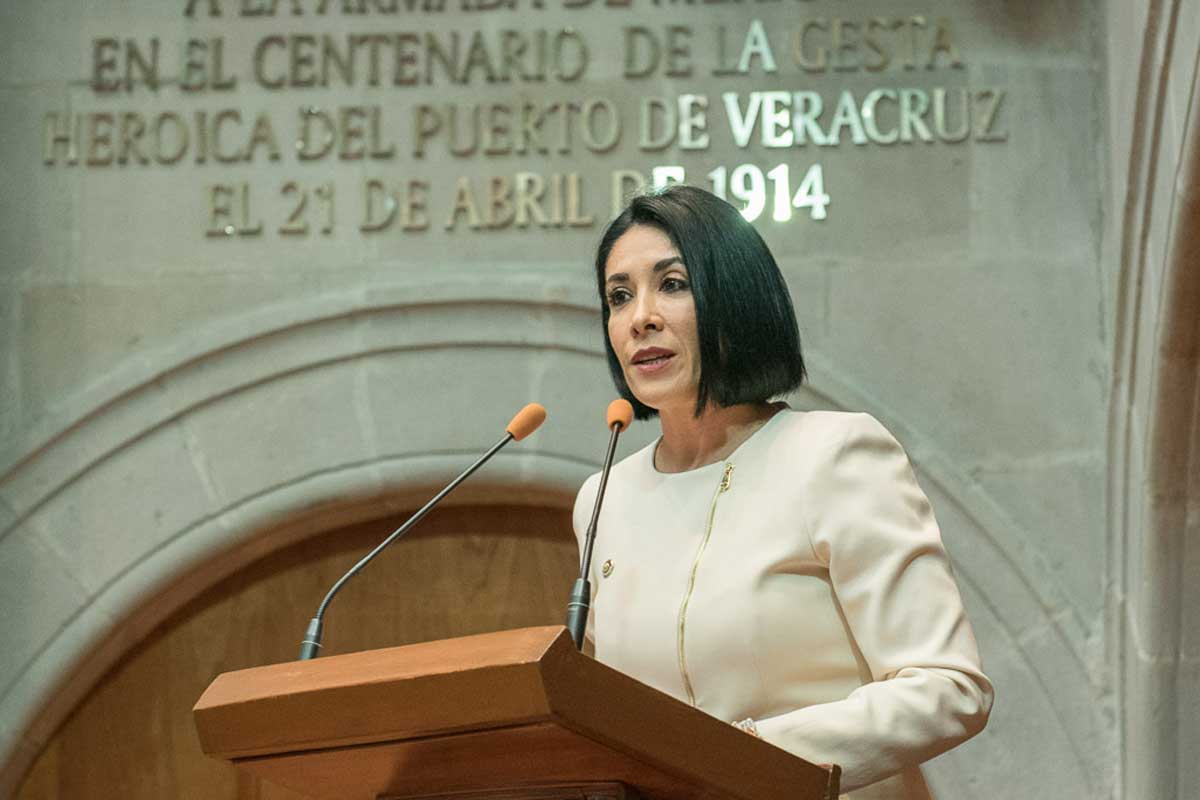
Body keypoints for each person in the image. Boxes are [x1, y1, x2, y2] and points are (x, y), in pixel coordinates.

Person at [572, 185, 993, 800]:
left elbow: (948, 687)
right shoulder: (604, 498)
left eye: (673, 284)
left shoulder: (833, 455)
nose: (641, 317)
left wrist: (743, 758)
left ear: (735, 299)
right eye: (619, 296)